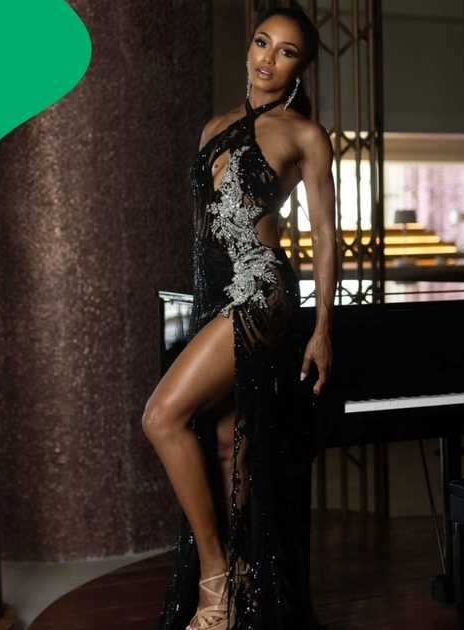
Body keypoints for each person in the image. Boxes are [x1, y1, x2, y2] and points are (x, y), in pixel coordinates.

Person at [143, 7, 335, 629]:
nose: (266, 58)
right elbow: (203, 235)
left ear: (300, 70)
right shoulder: (211, 129)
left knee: (163, 416)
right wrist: (201, 313)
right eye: (262, 42)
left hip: (262, 290)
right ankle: (247, 586)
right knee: (225, 441)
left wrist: (322, 328)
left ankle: (216, 580)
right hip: (217, 296)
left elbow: (326, 239)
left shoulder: (304, 134)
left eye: (285, 52)